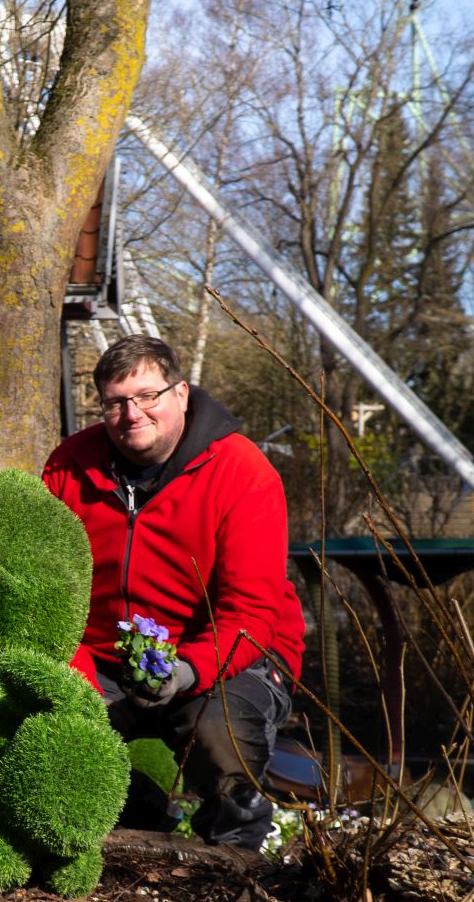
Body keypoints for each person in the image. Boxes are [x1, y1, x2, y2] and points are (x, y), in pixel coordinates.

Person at [42, 336, 304, 850]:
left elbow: (251, 613)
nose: (131, 414)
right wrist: (78, 682)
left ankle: (237, 858)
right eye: (115, 402)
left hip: (227, 655)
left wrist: (184, 671)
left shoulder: (242, 471)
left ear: (181, 394)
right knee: (51, 726)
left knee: (220, 730)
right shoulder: (68, 466)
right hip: (104, 657)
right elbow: (49, 597)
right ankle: (141, 818)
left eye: (147, 396)